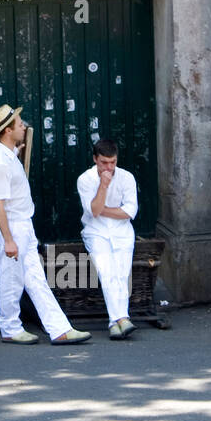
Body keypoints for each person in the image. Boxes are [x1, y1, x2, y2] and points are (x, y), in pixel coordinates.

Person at [0, 105, 90, 345]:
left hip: (21, 224)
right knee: (11, 279)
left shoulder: (5, 154)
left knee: (34, 278)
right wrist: (9, 239)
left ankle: (59, 328)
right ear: (7, 130)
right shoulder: (0, 162)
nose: (23, 126)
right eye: (19, 123)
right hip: (13, 226)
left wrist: (17, 153)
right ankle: (11, 327)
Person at [76, 138, 139, 339]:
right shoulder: (85, 180)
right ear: (95, 159)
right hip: (96, 231)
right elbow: (94, 212)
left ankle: (115, 322)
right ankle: (122, 319)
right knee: (107, 272)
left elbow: (130, 211)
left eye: (112, 162)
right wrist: (103, 186)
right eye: (104, 162)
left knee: (121, 274)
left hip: (122, 231)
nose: (109, 167)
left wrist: (103, 209)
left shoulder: (127, 177)